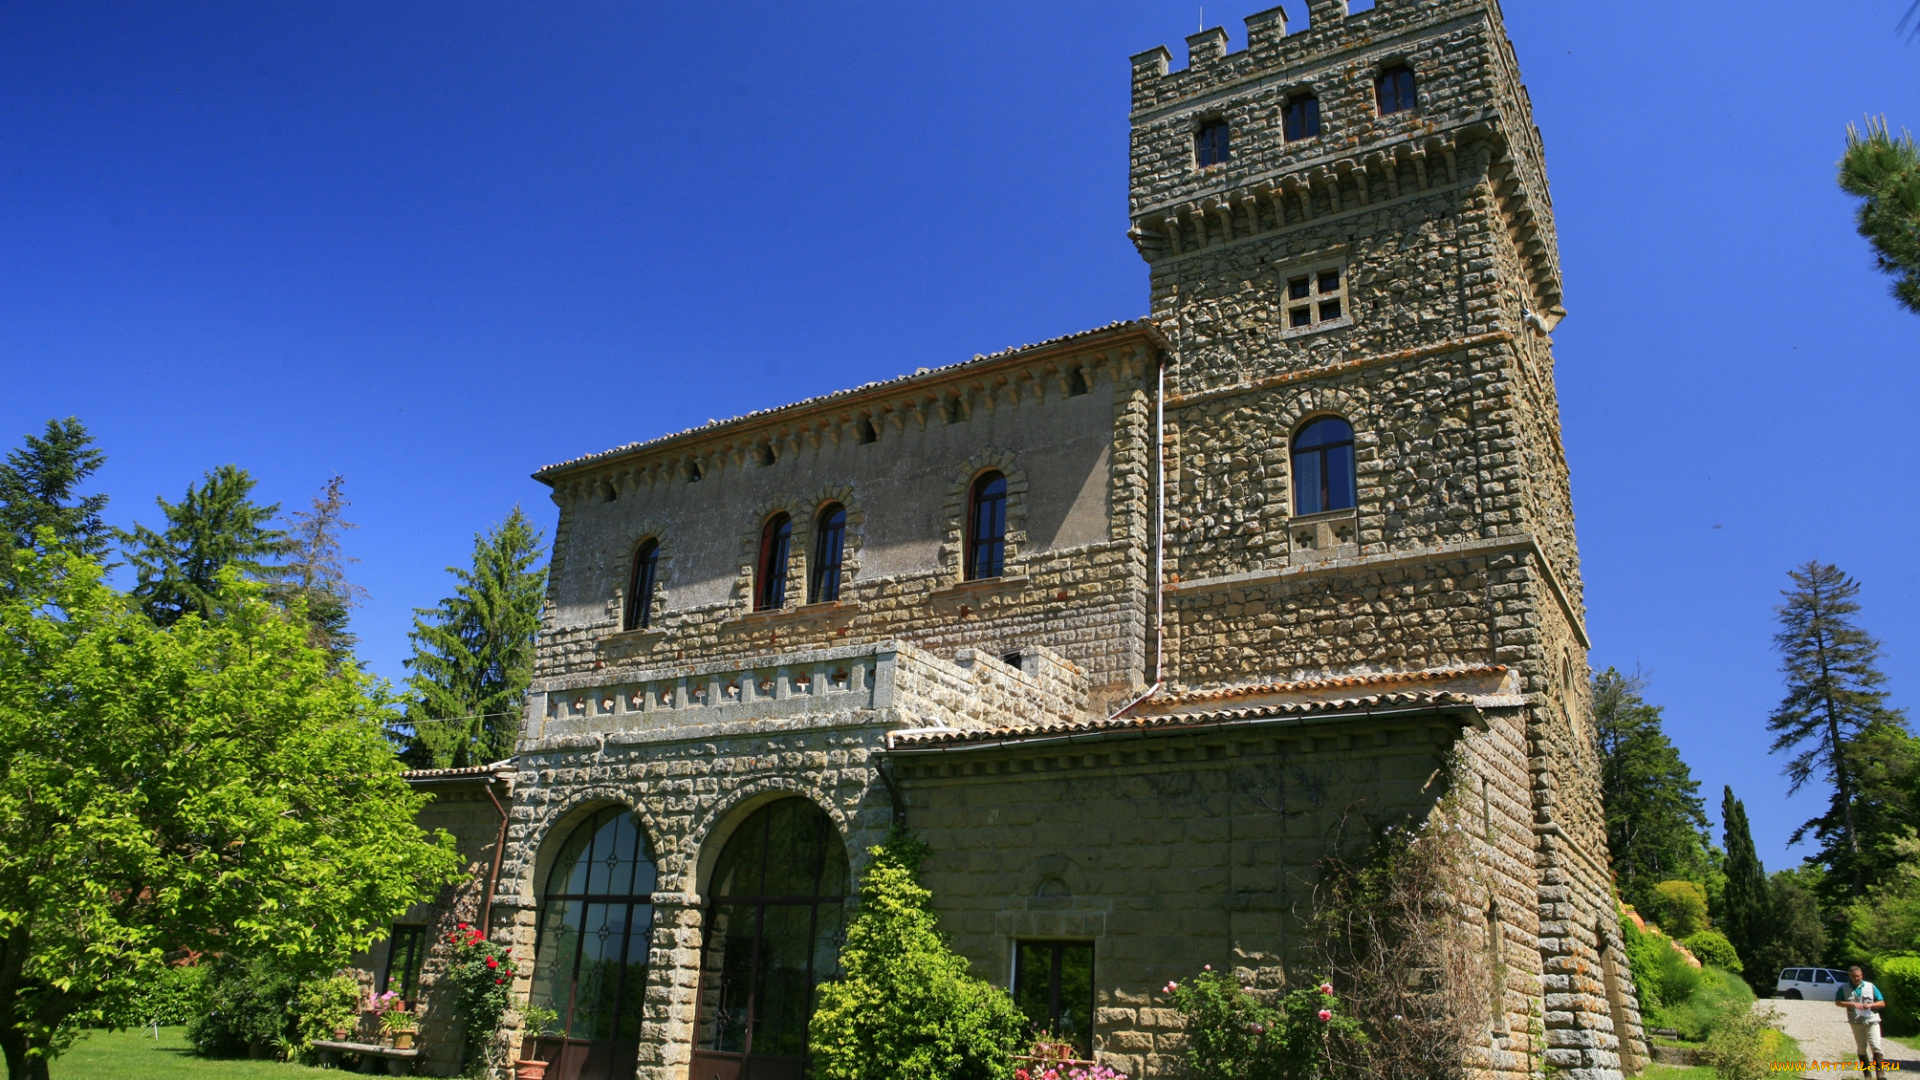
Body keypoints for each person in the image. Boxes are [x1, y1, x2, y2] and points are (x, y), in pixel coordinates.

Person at [1835, 964, 1887, 1076]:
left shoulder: (1871, 986)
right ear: (1850, 976)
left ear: (1862, 975)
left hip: (1872, 1020)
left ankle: (1880, 1075)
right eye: (1853, 976)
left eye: (1858, 976)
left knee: (1876, 1045)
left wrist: (1871, 1005)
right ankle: (1867, 1075)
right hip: (1856, 1022)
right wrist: (1852, 1004)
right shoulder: (1844, 988)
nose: (1856, 978)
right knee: (1861, 1048)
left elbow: (1882, 1003)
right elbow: (1838, 1002)